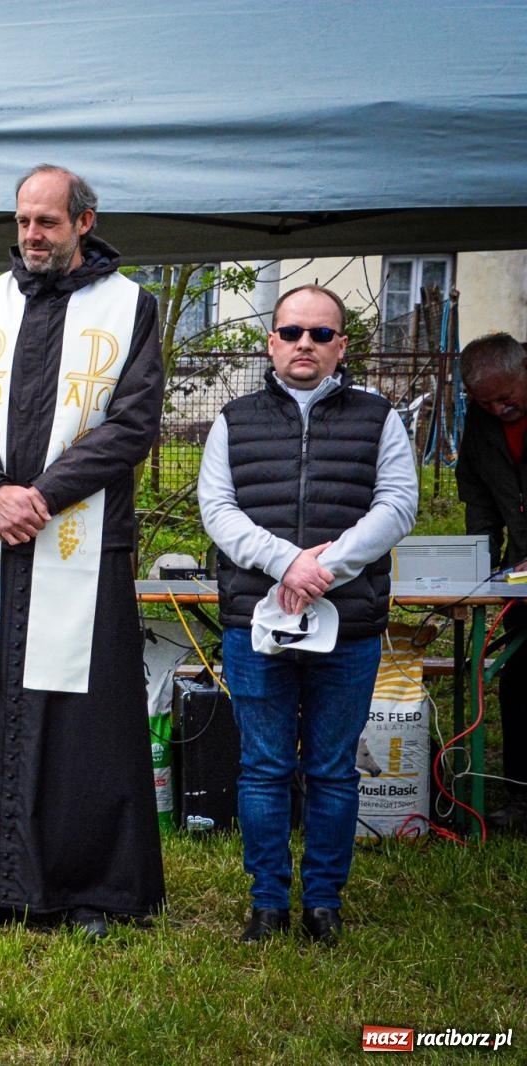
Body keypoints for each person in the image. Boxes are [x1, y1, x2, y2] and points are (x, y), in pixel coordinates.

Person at [0, 164, 166, 938]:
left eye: (47, 222)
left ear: (83, 222)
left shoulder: (131, 307)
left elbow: (132, 423)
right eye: (23, 221)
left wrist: (43, 495)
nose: (30, 235)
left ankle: (91, 890)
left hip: (79, 543)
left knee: (85, 723)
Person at [199, 285, 417, 945]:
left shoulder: (380, 418)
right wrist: (284, 564)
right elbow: (218, 509)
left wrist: (328, 568)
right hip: (256, 624)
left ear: (341, 346)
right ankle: (267, 903)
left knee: (331, 769)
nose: (305, 344)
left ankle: (323, 905)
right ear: (271, 341)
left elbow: (398, 504)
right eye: (292, 332)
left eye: (321, 335)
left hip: (346, 625)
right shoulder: (233, 419)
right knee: (262, 769)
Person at [455, 332, 527, 832]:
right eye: (487, 402)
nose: (500, 408)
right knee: (520, 680)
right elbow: (478, 491)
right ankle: (520, 797)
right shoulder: (481, 422)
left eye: (508, 397)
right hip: (520, 570)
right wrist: (481, 563)